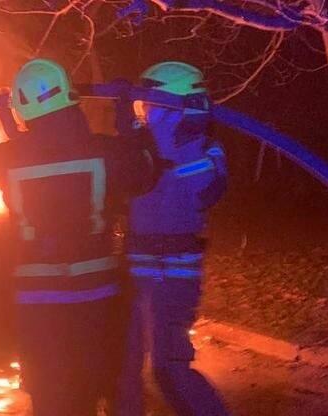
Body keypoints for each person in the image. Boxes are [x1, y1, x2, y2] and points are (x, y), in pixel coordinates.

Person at [0, 58, 155, 415]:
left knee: (51, 395)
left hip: (38, 303)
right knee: (98, 385)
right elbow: (145, 167)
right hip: (97, 297)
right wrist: (128, 113)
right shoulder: (103, 151)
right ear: (70, 97)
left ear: (23, 108)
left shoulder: (11, 157)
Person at [114, 61, 231, 416]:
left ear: (174, 107)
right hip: (135, 270)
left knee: (169, 369)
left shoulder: (205, 150)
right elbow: (128, 168)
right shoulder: (142, 143)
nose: (144, 112)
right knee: (121, 367)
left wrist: (171, 137)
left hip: (174, 275)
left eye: (150, 105)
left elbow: (201, 190)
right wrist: (124, 116)